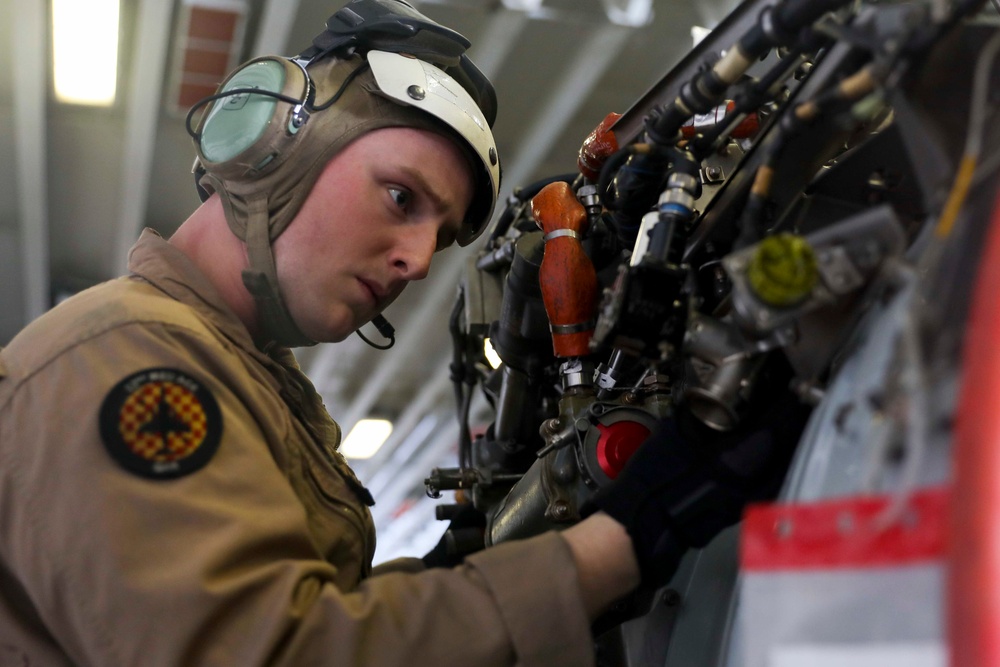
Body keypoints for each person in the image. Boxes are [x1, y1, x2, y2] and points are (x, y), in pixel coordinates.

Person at [0, 2, 807, 665]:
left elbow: (306, 614)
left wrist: (455, 576)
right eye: (400, 198)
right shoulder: (126, 358)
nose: (418, 260)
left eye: (441, 230)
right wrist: (625, 539)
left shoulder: (248, 378)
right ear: (272, 144)